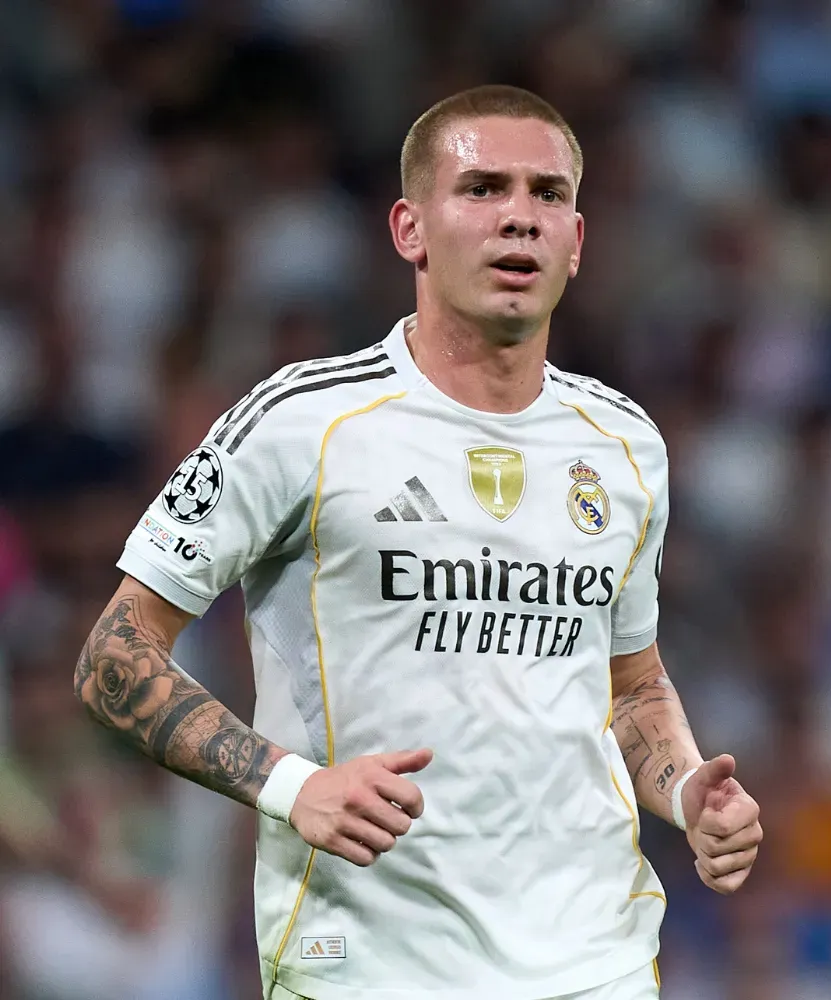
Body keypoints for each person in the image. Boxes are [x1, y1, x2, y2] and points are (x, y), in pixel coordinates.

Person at [73, 84, 763, 1000]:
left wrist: (685, 793)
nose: (519, 217)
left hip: (596, 958)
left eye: (547, 195)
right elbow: (112, 655)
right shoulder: (299, 422)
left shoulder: (626, 445)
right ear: (410, 229)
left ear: (577, 242)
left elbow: (628, 682)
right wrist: (289, 787)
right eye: (482, 189)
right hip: (368, 964)